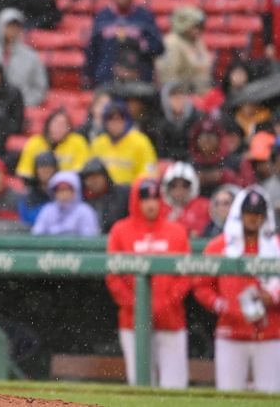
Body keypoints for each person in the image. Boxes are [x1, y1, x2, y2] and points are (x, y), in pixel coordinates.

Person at [193, 187, 280, 393]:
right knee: (229, 397)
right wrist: (222, 304)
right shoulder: (219, 246)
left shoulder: (276, 245)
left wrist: (274, 296)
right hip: (231, 331)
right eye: (249, 213)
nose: (253, 218)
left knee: (271, 396)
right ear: (239, 214)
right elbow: (201, 285)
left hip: (271, 332)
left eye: (258, 213)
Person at [106, 178, 191, 389]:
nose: (151, 204)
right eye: (145, 199)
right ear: (136, 201)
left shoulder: (177, 231)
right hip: (133, 321)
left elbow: (186, 274)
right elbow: (113, 276)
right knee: (140, 387)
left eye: (155, 198)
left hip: (171, 320)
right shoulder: (120, 230)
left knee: (175, 389)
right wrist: (137, 305)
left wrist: (166, 303)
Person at [84, 0, 164, 88]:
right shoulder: (102, 16)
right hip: (107, 80)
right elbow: (92, 50)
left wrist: (142, 45)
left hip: (139, 79)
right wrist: (88, 76)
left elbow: (159, 47)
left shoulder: (144, 16)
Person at [0, 8, 48, 107]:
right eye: (9, 26)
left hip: (21, 108)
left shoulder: (31, 57)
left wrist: (22, 104)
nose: (12, 30)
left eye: (16, 26)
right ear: (0, 26)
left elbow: (40, 88)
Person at [90, 101, 157, 185]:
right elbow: (90, 171)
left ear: (126, 120)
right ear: (105, 122)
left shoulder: (140, 141)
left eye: (120, 118)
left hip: (131, 192)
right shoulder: (98, 143)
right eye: (111, 118)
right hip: (104, 194)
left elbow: (149, 173)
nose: (115, 123)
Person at [16, 108, 90, 180]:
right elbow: (24, 172)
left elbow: (81, 170)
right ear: (48, 125)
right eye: (56, 123)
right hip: (38, 186)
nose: (59, 128)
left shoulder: (77, 142)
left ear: (69, 128)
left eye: (63, 125)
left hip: (66, 187)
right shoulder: (35, 142)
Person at [155, 6, 212, 93]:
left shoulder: (197, 42)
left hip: (201, 94)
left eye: (201, 27)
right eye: (195, 27)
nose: (198, 30)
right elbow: (169, 76)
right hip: (183, 96)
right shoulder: (172, 43)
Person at [32, 171, 100, 237]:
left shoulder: (85, 211)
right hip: (50, 248)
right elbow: (37, 234)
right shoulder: (47, 210)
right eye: (60, 190)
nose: (64, 194)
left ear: (75, 191)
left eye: (67, 189)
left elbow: (89, 238)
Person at [153, 83, 203, 161]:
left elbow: (198, 147)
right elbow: (161, 150)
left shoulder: (196, 119)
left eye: (180, 97)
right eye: (174, 98)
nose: (178, 101)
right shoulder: (161, 123)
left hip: (193, 162)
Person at [80, 157, 130, 234]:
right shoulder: (82, 199)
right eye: (89, 179)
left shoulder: (122, 195)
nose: (93, 182)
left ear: (105, 177)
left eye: (96, 177)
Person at [161, 161, 211, 238]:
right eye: (174, 185)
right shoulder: (159, 207)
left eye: (185, 185)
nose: (179, 190)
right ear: (167, 187)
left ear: (192, 186)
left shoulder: (204, 206)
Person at [19, 151, 58, 227]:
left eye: (49, 167)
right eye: (42, 167)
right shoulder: (30, 195)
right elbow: (26, 221)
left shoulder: (65, 190)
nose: (46, 171)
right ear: (36, 171)